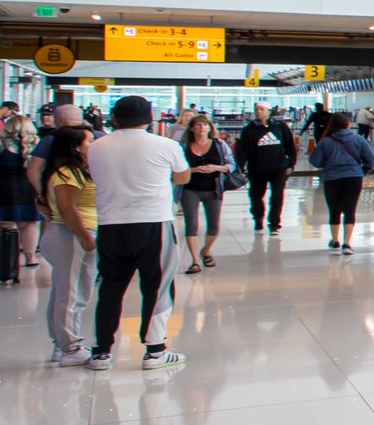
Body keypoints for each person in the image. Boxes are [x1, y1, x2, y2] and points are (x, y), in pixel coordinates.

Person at [86, 97, 189, 372]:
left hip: (110, 224)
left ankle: (101, 353)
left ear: (114, 119)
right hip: (153, 223)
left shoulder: (96, 147)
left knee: (110, 287)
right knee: (157, 287)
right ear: (150, 119)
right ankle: (155, 351)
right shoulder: (166, 145)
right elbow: (182, 177)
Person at [39, 126, 98, 367]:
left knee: (65, 290)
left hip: (69, 233)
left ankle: (61, 343)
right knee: (72, 292)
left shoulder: (73, 171)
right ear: (76, 146)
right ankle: (70, 345)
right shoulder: (67, 174)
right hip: (70, 234)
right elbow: (67, 208)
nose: (94, 145)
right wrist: (84, 236)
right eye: (90, 141)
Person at [311, 116, 374, 253]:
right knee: (350, 209)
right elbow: (371, 159)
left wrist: (329, 164)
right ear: (348, 124)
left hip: (332, 178)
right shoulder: (359, 139)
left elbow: (315, 161)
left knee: (334, 209)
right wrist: (362, 171)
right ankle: (347, 243)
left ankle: (335, 240)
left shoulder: (326, 142)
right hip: (353, 177)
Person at [177, 112, 232, 273]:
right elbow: (177, 167)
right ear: (192, 128)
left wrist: (216, 168)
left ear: (210, 128)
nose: (202, 127)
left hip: (213, 188)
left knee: (214, 225)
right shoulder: (183, 147)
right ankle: (195, 261)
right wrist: (193, 170)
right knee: (191, 224)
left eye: (205, 125)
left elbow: (231, 164)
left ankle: (206, 250)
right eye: (198, 125)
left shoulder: (220, 145)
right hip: (189, 189)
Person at [234, 103, 297, 235]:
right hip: (257, 169)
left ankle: (274, 224)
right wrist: (240, 168)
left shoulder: (280, 127)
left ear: (269, 112)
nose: (258, 112)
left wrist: (291, 164)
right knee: (256, 196)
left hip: (278, 168)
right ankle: (258, 217)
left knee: (277, 196)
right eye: (256, 109)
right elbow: (242, 151)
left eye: (261, 109)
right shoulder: (248, 130)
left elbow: (290, 145)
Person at [0, 106, 40, 271]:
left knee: (4, 225)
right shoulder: (35, 146)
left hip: (3, 189)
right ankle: (30, 257)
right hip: (27, 188)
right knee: (29, 224)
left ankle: (6, 257)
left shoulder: (0, 145)